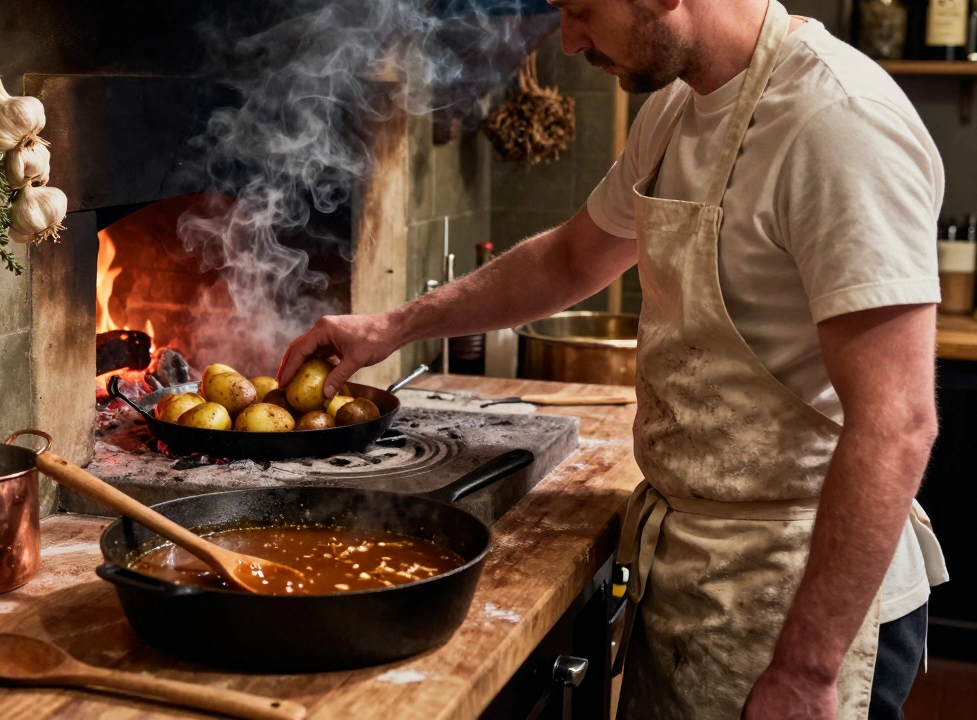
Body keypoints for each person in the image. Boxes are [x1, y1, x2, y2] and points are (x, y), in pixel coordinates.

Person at [276, 0, 950, 717]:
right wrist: (390, 326)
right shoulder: (675, 109)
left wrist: (807, 670)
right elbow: (571, 259)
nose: (566, 40)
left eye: (582, 10)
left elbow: (898, 424)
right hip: (692, 574)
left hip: (802, 600)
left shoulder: (838, 123)